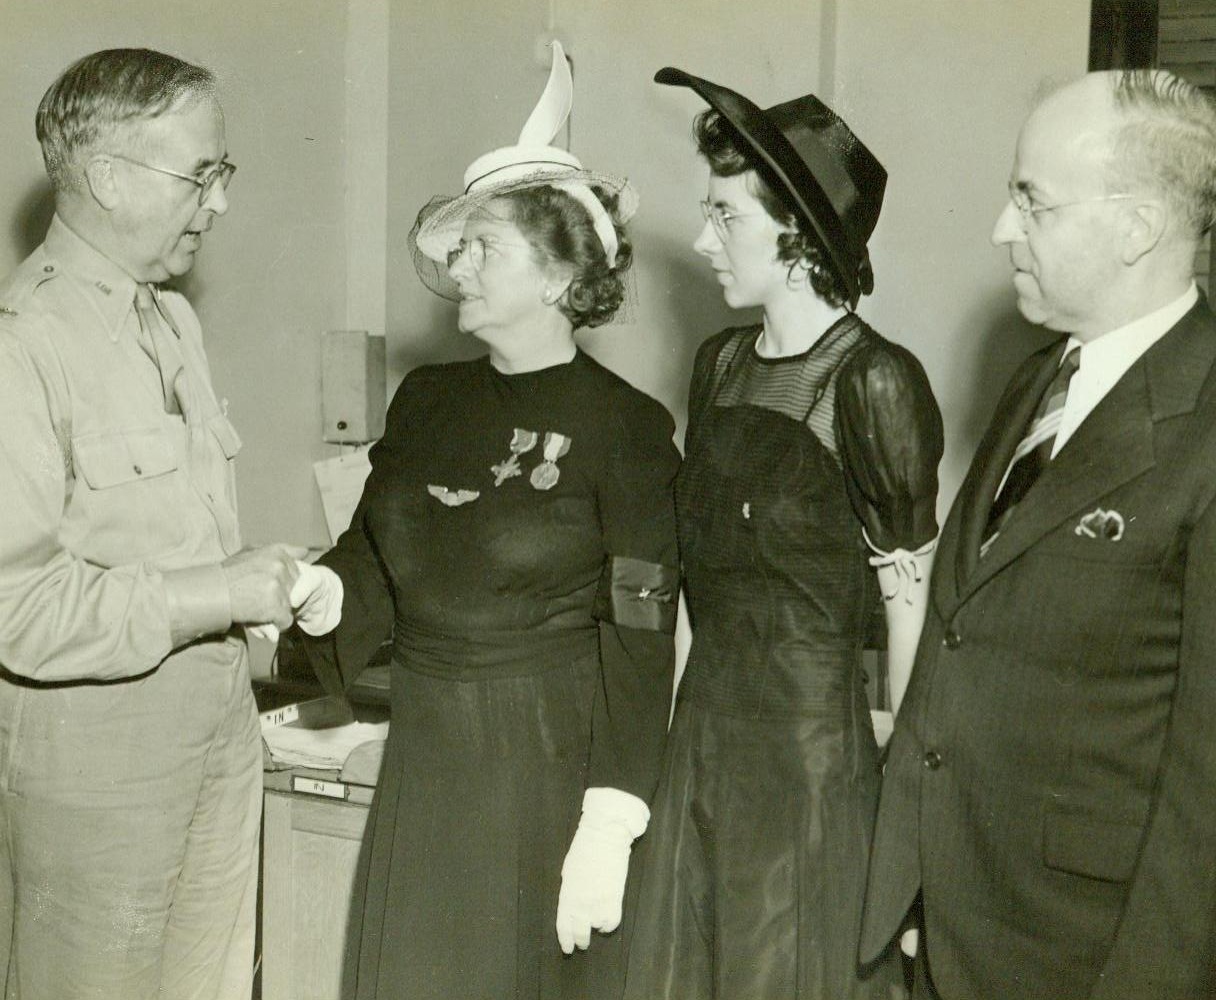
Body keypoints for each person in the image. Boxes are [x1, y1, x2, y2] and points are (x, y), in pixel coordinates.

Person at [299, 43, 679, 1000]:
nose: (458, 268)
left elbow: (642, 630)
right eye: (458, 248)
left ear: (558, 278)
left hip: (542, 770)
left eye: (484, 250)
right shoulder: (426, 401)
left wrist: (613, 812)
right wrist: (318, 593)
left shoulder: (627, 427)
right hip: (427, 754)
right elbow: (372, 556)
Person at [860, 69, 1216, 1000]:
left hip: (1075, 956)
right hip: (941, 930)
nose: (1000, 229)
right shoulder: (1038, 382)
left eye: (1032, 200)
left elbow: (1204, 789)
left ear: (1137, 227)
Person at [0, 48, 340, 998]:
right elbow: (17, 607)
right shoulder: (23, 346)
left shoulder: (169, 321)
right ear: (108, 176)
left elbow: (148, 545)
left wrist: (250, 573)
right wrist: (215, 591)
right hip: (96, 765)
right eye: (202, 174)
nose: (218, 202)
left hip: (218, 732)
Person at [623, 68, 943, 1000]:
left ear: (798, 234)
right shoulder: (718, 364)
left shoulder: (874, 382)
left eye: (727, 216)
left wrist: (905, 812)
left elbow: (910, 604)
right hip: (703, 751)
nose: (701, 238)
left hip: (811, 772)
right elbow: (690, 588)